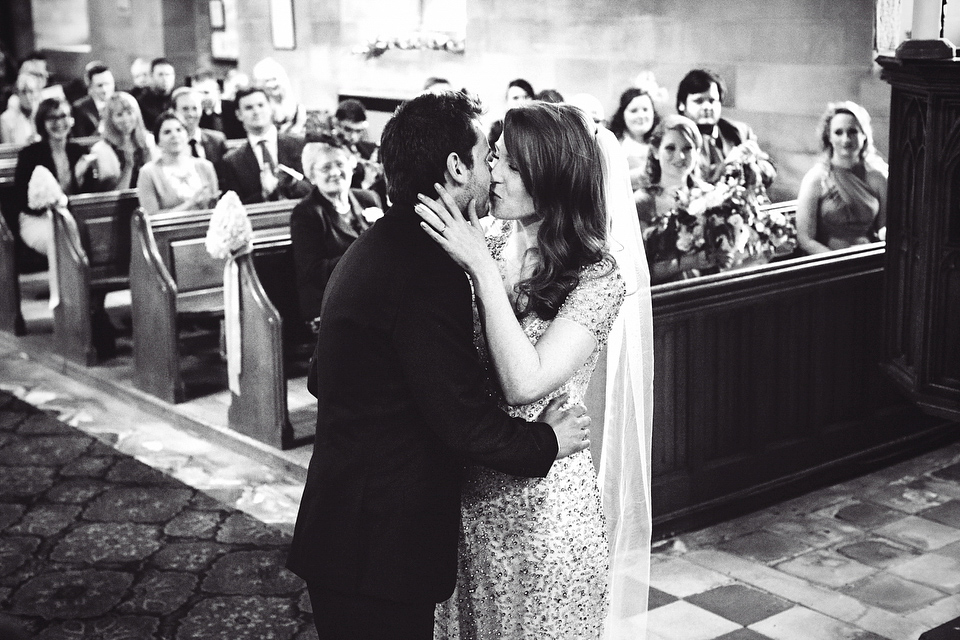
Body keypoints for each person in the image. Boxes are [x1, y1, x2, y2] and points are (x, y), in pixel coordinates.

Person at [286, 91, 591, 640]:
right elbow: (461, 420)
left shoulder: (385, 240)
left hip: (354, 524)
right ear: (456, 166)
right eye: (486, 154)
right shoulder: (426, 267)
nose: (493, 168)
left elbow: (320, 376)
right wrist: (548, 440)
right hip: (372, 543)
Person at [416, 102, 642, 638]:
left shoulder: (597, 273)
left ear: (551, 176)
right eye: (493, 156)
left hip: (544, 509)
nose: (491, 172)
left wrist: (482, 272)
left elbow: (524, 383)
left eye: (510, 165)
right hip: (467, 499)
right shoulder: (486, 241)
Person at [291, 136, 381, 330]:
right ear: (312, 176)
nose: (335, 173)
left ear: (351, 166)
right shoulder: (306, 213)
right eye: (325, 168)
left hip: (372, 296)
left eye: (340, 164)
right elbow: (313, 271)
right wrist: (364, 257)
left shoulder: (368, 198)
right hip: (331, 303)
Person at [636, 114, 732, 284]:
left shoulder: (710, 195)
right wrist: (690, 262)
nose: (680, 156)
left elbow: (724, 255)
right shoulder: (643, 202)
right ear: (656, 151)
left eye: (687, 148)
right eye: (670, 148)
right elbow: (639, 273)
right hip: (665, 299)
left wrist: (724, 255)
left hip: (709, 292)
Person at [796, 101, 887, 254]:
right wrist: (837, 263)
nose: (846, 139)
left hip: (868, 261)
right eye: (838, 132)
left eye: (852, 132)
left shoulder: (878, 178)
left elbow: (884, 229)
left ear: (864, 135)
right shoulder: (816, 179)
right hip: (828, 264)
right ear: (829, 137)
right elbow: (805, 239)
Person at [13, 97, 95, 256]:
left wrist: (79, 178)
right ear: (42, 122)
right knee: (59, 240)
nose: (59, 122)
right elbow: (22, 200)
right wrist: (73, 177)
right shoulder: (30, 155)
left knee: (89, 237)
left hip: (72, 216)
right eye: (52, 117)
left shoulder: (79, 152)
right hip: (37, 218)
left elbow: (86, 198)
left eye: (63, 116)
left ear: (71, 120)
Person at [676, 68, 776, 189]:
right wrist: (728, 166)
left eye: (713, 101)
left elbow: (770, 173)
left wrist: (752, 165)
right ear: (682, 105)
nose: (707, 107)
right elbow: (688, 183)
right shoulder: (675, 136)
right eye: (699, 101)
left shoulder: (739, 131)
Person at [216, 85, 310, 204]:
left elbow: (316, 188)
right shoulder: (232, 161)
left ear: (270, 108)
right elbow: (235, 205)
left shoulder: (300, 144)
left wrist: (292, 184)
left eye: (261, 105)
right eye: (249, 108)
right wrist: (264, 194)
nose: (256, 111)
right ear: (239, 114)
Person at [137, 111, 218, 215]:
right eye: (167, 132)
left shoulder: (205, 166)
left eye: (179, 130)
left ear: (187, 136)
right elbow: (151, 218)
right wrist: (190, 204)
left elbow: (215, 209)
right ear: (158, 141)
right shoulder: (148, 173)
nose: (174, 135)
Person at [86, 91, 154, 191]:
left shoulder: (148, 141)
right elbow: (113, 195)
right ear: (110, 119)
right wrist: (128, 166)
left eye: (130, 113)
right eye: (119, 115)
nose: (126, 119)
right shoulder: (102, 150)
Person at [609, 87, 660, 191]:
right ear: (622, 114)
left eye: (645, 110)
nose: (641, 116)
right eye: (634, 111)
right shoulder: (613, 145)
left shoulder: (663, 143)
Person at [172, 86, 228, 165]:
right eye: (185, 109)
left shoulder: (217, 141)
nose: (191, 114)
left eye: (195, 108)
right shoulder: (170, 143)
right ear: (174, 111)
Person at [252, 57, 307, 135]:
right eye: (267, 81)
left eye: (274, 79)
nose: (273, 84)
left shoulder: (298, 109)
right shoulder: (260, 110)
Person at [192, 67, 244, 139]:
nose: (202, 98)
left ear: (218, 91)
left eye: (206, 92)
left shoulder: (234, 108)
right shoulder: (196, 114)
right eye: (197, 94)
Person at [70, 62, 114, 138]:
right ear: (91, 87)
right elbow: (80, 140)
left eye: (108, 84)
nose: (105, 90)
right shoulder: (79, 109)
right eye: (99, 85)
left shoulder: (120, 103)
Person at [1, 73, 43, 145]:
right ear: (17, 94)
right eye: (23, 92)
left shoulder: (45, 113)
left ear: (37, 92)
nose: (28, 96)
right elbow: (7, 152)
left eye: (31, 91)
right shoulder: (6, 119)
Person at [137, 57, 176, 131]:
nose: (165, 79)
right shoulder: (141, 102)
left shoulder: (178, 99)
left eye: (168, 74)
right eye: (160, 75)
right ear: (151, 76)